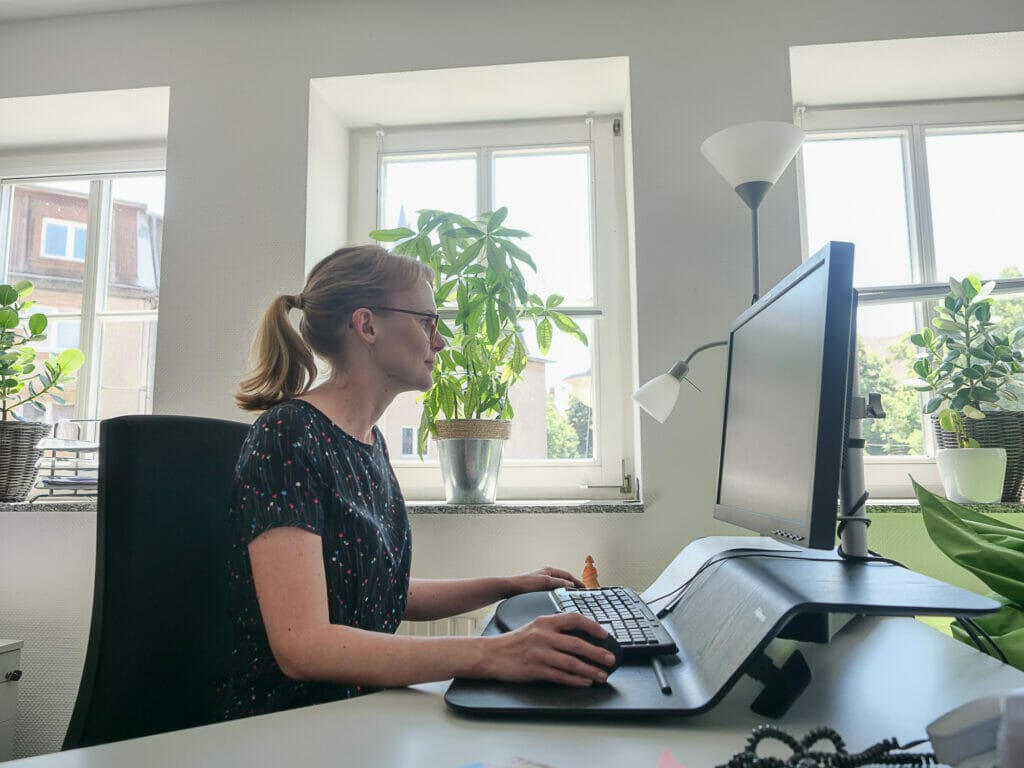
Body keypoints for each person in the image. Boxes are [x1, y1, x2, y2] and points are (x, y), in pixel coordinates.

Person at [218, 245, 614, 720]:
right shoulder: (288, 436)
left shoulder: (368, 442)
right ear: (367, 326)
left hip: (357, 714)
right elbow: (303, 646)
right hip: (287, 728)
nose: (439, 340)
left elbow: (377, 590)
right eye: (427, 320)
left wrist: (508, 585)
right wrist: (492, 654)